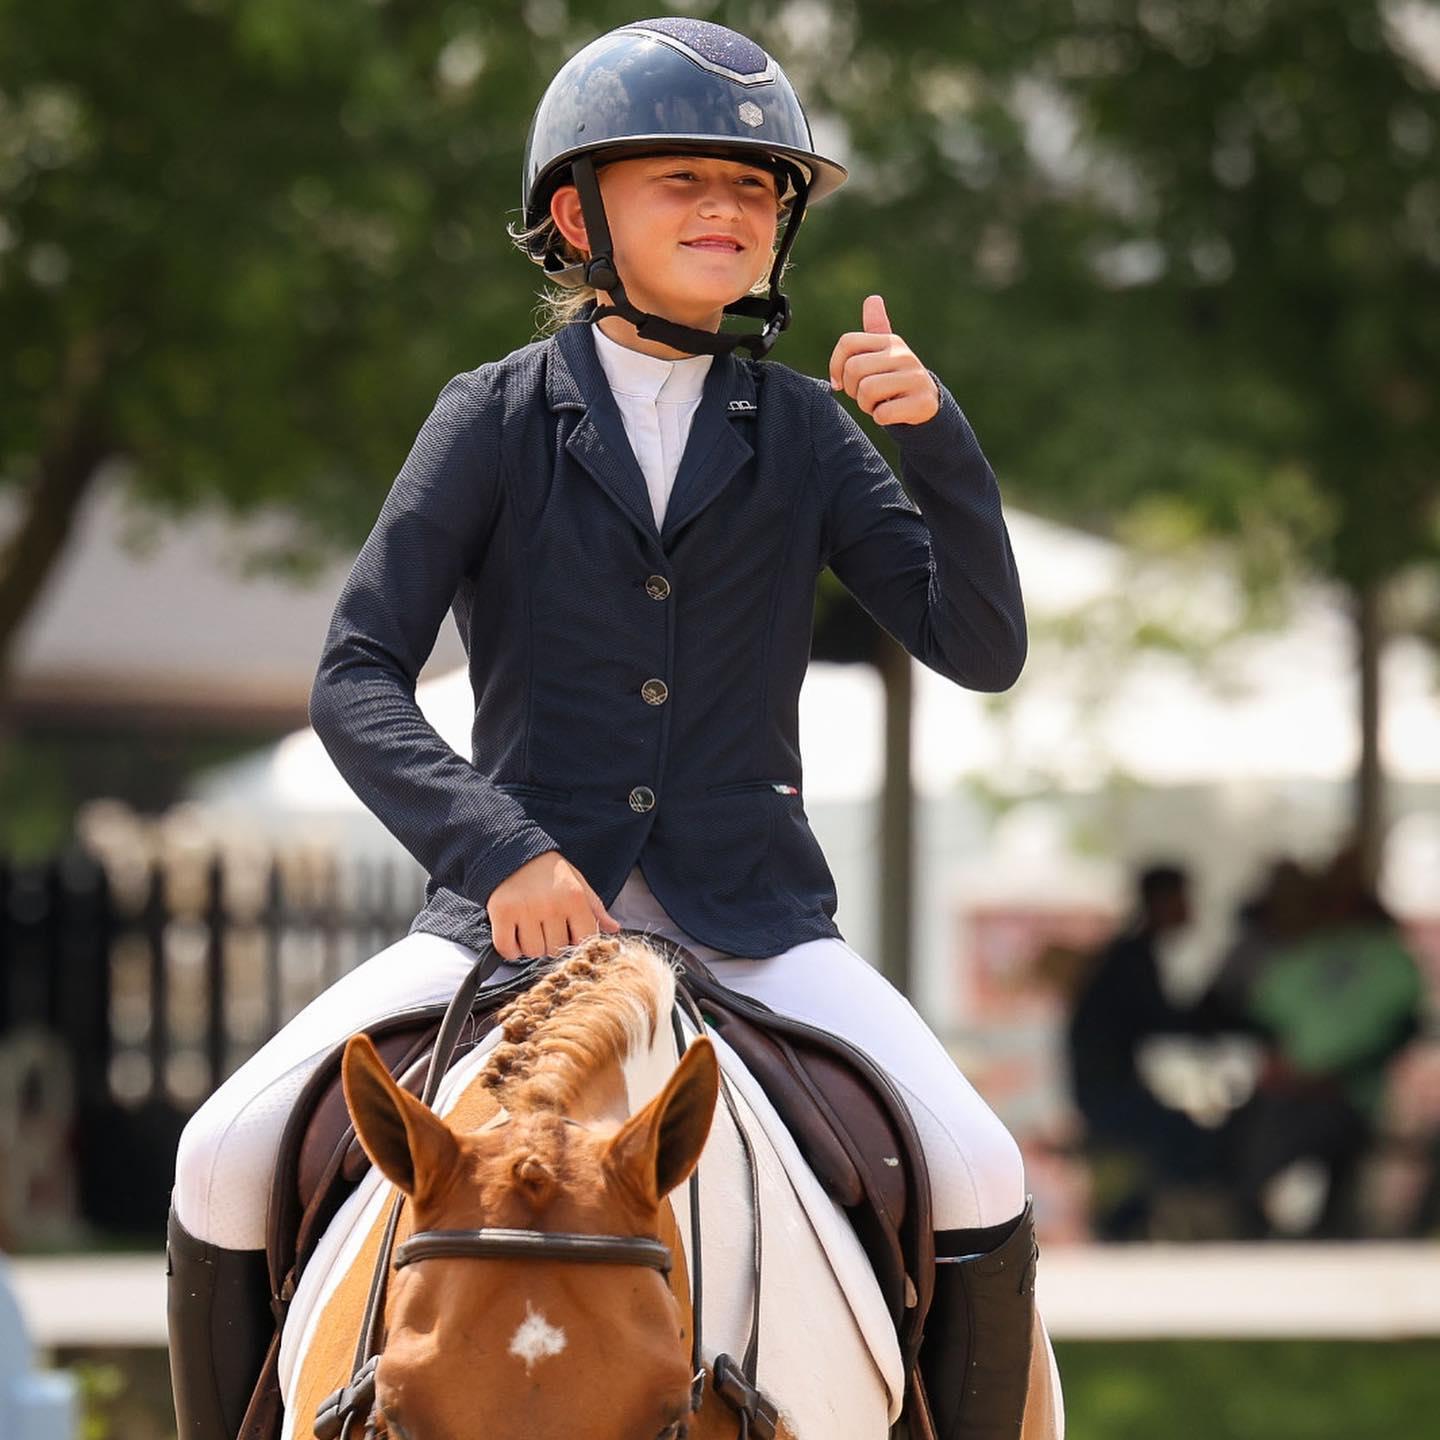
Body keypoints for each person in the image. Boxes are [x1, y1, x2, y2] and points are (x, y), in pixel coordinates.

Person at [166, 18, 1048, 1439]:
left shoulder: (813, 432)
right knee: (219, 1155)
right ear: (577, 215)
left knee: (981, 1164)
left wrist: (938, 442)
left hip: (752, 918)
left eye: (757, 188)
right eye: (683, 180)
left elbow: (981, 646)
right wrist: (500, 850)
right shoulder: (491, 418)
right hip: (504, 921)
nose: (726, 210)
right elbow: (356, 673)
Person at [1066, 863, 1233, 1237]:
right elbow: (1163, 1020)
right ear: (1159, 902)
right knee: (1189, 1144)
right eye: (1181, 899)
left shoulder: (1130, 955)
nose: (1190, 910)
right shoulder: (1131, 959)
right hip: (1108, 1094)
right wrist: (1221, 1014)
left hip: (1108, 1090)